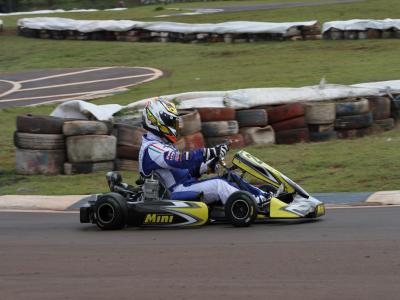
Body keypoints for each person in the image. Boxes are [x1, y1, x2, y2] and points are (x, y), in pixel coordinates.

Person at [138, 97, 270, 209]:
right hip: (174, 193)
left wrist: (206, 166)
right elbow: (179, 160)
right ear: (155, 122)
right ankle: (252, 204)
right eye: (170, 122)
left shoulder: (163, 145)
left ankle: (263, 195)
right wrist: (208, 152)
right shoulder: (152, 149)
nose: (174, 127)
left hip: (183, 185)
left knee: (230, 177)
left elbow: (184, 171)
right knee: (219, 185)